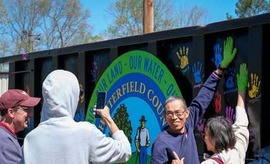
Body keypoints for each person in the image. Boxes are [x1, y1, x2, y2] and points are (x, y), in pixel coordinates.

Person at [150, 36, 237, 164]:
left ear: (186, 113)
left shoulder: (188, 123)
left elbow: (203, 97)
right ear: (164, 116)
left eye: (178, 112)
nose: (174, 117)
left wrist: (221, 68)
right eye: (169, 113)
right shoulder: (161, 143)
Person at [21, 69, 131, 164]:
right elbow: (125, 151)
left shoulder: (30, 140)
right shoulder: (85, 133)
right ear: (71, 97)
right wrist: (107, 118)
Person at [200, 63, 249, 164]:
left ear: (215, 138)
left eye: (206, 134)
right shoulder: (237, 151)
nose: (204, 137)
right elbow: (241, 125)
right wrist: (241, 90)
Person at [0, 89, 41, 164]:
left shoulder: (6, 135)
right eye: (26, 109)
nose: (31, 114)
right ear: (11, 112)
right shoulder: (3, 139)